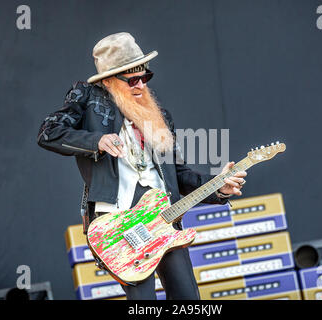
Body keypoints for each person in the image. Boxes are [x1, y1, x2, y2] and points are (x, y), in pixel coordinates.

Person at [37, 32, 247, 300]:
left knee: (188, 298)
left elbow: (180, 175)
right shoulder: (88, 99)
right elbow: (48, 133)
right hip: (118, 223)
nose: (140, 85)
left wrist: (220, 186)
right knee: (142, 302)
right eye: (132, 79)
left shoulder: (160, 117)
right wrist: (96, 141)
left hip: (163, 219)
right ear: (110, 81)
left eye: (145, 77)